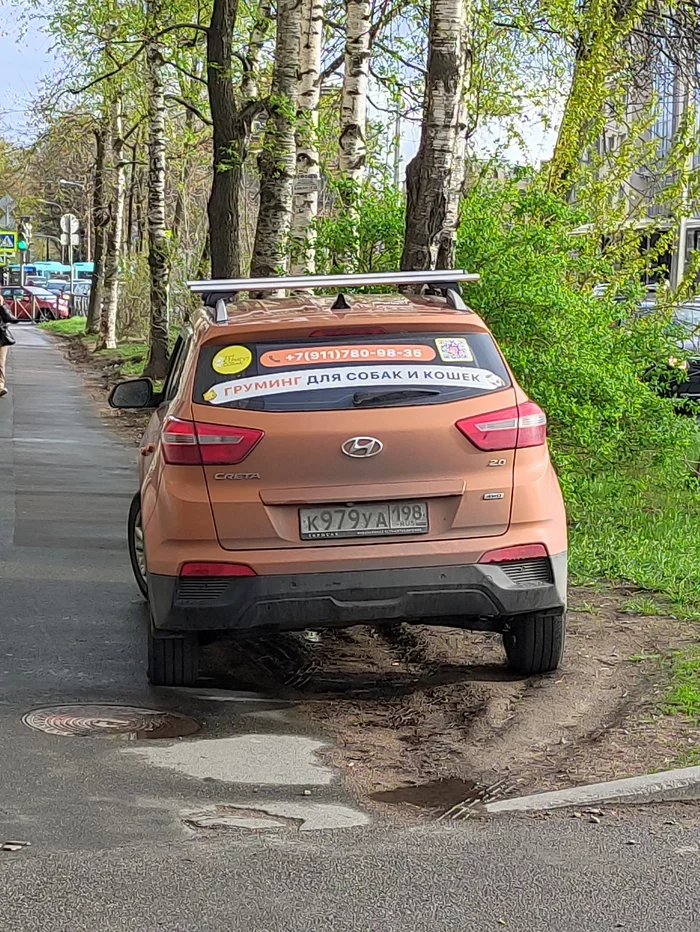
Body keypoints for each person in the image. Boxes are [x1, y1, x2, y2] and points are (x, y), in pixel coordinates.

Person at [0, 294, 18, 399]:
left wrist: (1, 305)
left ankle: (0, 387)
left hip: (1, 335)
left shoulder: (1, 301)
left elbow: (9, 318)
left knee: (1, 362)